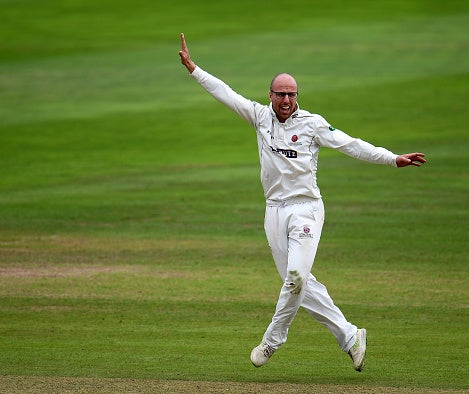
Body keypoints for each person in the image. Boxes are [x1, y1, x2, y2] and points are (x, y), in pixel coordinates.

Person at [178, 33, 426, 372]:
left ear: (297, 96)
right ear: (270, 95)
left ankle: (271, 342)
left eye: (291, 94)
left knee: (295, 276)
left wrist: (391, 158)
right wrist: (194, 69)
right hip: (273, 211)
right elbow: (226, 93)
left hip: (306, 207)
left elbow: (350, 144)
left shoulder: (312, 124)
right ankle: (351, 336)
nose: (286, 99)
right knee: (298, 284)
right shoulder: (259, 117)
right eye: (280, 93)